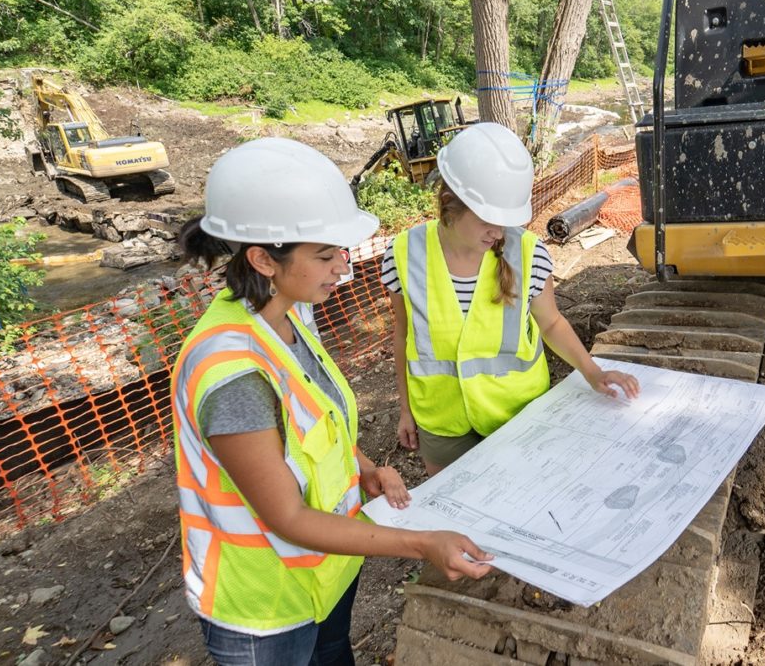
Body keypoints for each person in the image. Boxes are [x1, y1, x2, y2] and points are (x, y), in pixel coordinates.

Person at [173, 137, 492, 666]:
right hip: (265, 609)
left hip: (326, 572)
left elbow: (314, 425)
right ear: (262, 259)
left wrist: (364, 468)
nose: (342, 269)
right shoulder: (233, 376)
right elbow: (288, 517)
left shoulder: (286, 318)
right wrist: (420, 543)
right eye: (324, 256)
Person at [383, 122, 640, 475]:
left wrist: (592, 373)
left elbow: (551, 322)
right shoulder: (403, 253)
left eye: (505, 220)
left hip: (517, 416)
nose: (499, 232)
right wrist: (406, 409)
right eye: (490, 219)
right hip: (442, 423)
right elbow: (403, 334)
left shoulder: (527, 254)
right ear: (449, 204)